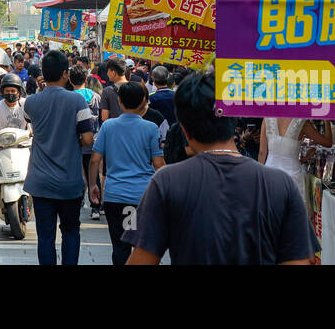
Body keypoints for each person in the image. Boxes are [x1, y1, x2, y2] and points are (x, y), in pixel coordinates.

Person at [125, 71, 313, 265]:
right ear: (232, 122)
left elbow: (141, 260)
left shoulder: (167, 182)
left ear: (184, 130)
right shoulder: (280, 185)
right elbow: (299, 261)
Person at [22, 50, 96, 266]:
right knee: (71, 232)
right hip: (69, 181)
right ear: (65, 73)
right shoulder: (77, 101)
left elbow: (30, 122)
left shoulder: (31, 102)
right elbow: (89, 138)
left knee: (45, 236)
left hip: (41, 181)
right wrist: (73, 141)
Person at [89, 80, 164, 265]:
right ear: (143, 103)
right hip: (142, 196)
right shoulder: (150, 128)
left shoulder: (108, 126)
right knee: (142, 246)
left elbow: (95, 159)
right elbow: (158, 163)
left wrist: (92, 185)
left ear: (120, 101)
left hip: (115, 195)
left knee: (120, 246)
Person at [260, 117, 332, 205]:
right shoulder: (301, 122)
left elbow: (262, 153)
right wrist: (327, 120)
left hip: (269, 174)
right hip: (292, 175)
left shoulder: (267, 118)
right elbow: (328, 142)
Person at [69, 65, 102, 219]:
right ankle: (96, 206)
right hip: (95, 140)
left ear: (69, 79)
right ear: (86, 79)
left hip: (76, 141)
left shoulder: (69, 97)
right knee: (93, 173)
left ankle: (78, 200)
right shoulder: (95, 96)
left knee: (76, 172)